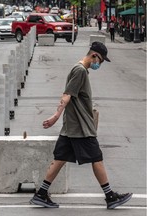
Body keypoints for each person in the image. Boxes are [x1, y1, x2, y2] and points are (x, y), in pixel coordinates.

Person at [29, 41, 133, 210]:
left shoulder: (81, 70)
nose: (100, 64)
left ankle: (41, 194)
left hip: (71, 127)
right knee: (96, 158)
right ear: (94, 56)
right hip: (81, 128)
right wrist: (56, 116)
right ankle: (110, 197)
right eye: (100, 60)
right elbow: (67, 95)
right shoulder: (80, 71)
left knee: (59, 159)